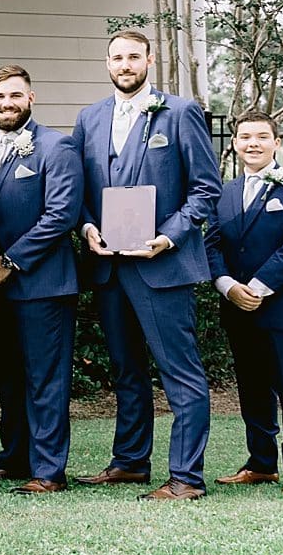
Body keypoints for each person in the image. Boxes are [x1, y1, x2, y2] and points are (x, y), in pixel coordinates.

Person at [71, 29, 222, 500]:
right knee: (126, 370)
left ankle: (186, 478)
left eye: (133, 56)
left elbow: (205, 189)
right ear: (107, 63)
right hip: (110, 266)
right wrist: (87, 226)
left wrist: (168, 237)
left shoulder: (180, 113)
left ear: (149, 60)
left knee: (180, 372)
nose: (124, 65)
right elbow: (78, 189)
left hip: (163, 265)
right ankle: (131, 462)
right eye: (116, 57)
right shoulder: (89, 118)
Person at [0, 66, 82, 495]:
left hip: (41, 283)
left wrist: (9, 261)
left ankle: (48, 470)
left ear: (31, 98)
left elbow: (60, 215)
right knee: (7, 376)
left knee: (45, 378)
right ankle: (14, 457)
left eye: (14, 95)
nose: (6, 103)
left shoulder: (56, 147)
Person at [206, 110, 283, 495]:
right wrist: (227, 286)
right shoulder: (224, 194)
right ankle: (260, 464)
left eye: (260, 136)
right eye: (244, 137)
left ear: (277, 142)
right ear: (235, 144)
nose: (252, 143)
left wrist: (255, 287)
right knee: (252, 390)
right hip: (238, 308)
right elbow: (213, 244)